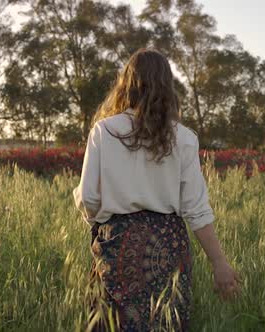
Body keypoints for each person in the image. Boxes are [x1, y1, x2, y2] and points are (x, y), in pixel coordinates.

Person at [74, 48, 241, 331]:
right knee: (165, 323)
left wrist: (102, 228)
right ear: (167, 85)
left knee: (113, 323)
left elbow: (88, 197)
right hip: (168, 248)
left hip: (117, 243)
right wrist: (219, 263)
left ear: (126, 83)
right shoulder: (184, 138)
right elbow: (197, 209)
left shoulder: (104, 131)